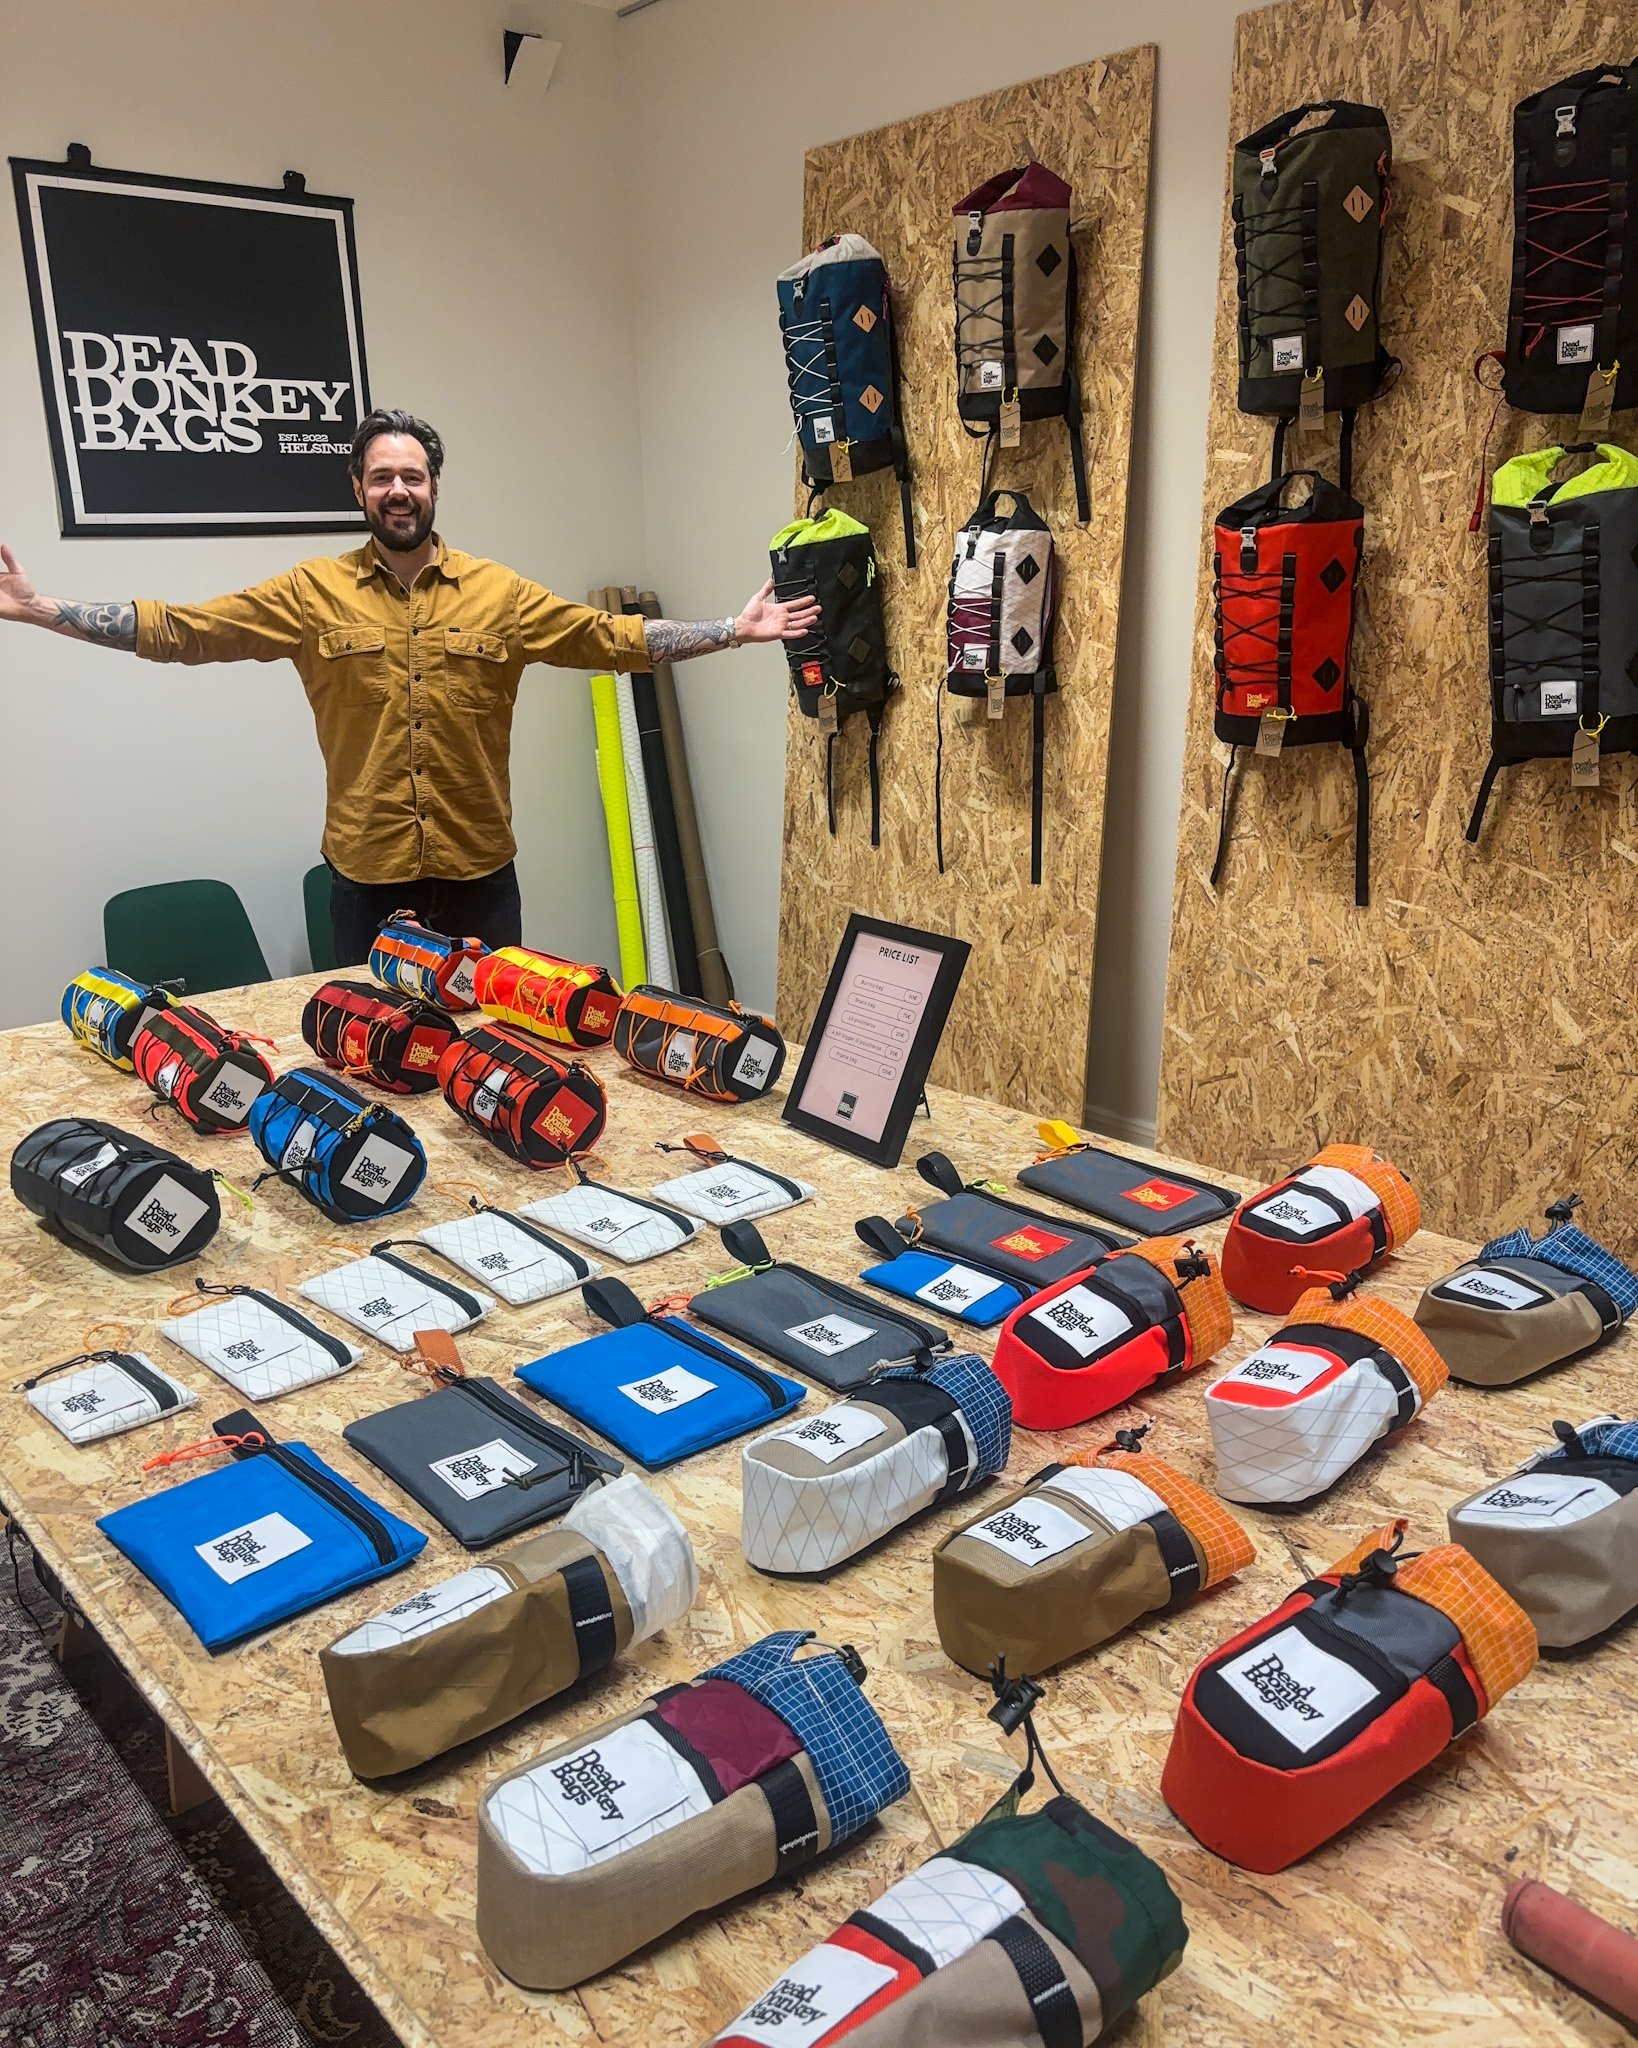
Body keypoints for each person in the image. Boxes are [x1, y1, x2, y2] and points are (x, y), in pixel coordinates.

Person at [0, 406, 819, 962]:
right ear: (357, 488)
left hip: (481, 880)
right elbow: (187, 629)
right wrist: (42, 610)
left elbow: (604, 637)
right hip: (367, 883)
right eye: (383, 476)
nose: (400, 490)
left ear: (434, 486)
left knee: (495, 1056)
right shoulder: (309, 593)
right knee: (380, 1064)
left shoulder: (498, 592)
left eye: (414, 476)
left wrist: (729, 631)